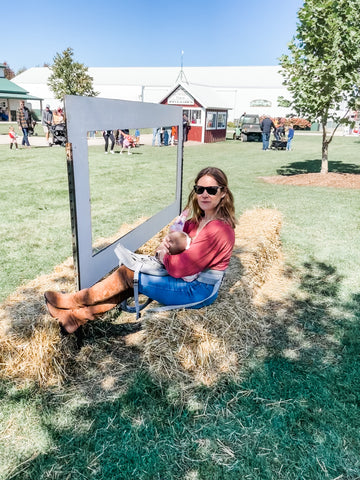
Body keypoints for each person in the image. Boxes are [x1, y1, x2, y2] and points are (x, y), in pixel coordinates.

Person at [44, 166, 236, 335]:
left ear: (223, 193)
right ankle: (73, 319)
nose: (204, 194)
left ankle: (72, 301)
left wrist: (163, 253)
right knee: (131, 280)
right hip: (186, 280)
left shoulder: (219, 230)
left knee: (128, 274)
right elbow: (172, 244)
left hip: (197, 291)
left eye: (211, 190)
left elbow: (179, 267)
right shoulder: (196, 222)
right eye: (199, 189)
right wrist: (165, 249)